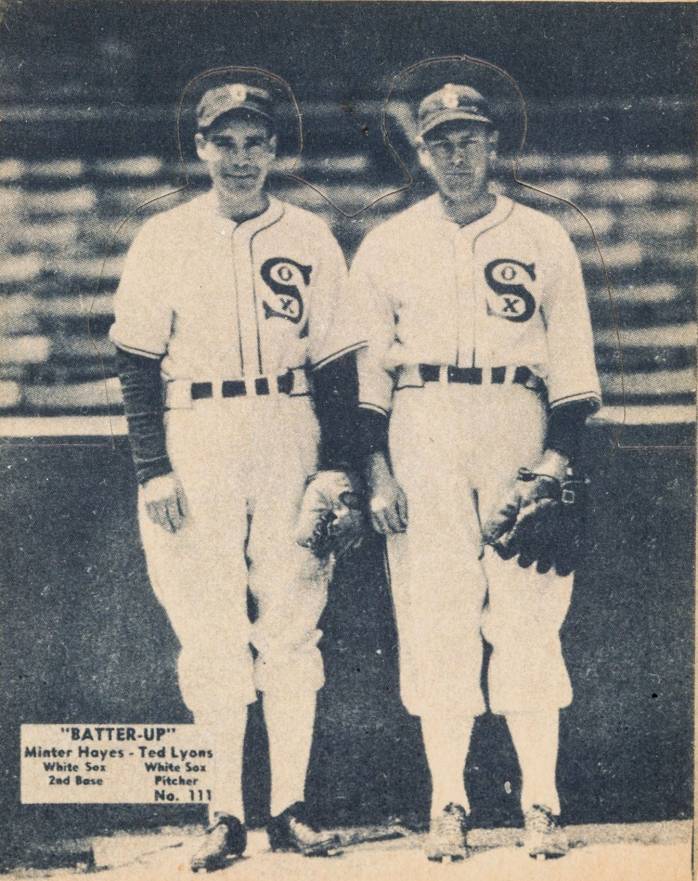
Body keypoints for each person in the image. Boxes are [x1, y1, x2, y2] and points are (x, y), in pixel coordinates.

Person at [110, 77, 362, 872]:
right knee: (208, 626)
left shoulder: (312, 234)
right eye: (227, 140)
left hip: (289, 423)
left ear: (275, 150)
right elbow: (136, 361)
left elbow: (337, 364)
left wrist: (337, 467)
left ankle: (288, 806)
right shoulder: (164, 236)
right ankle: (224, 811)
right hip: (197, 432)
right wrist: (153, 467)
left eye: (256, 141)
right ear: (202, 147)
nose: (242, 156)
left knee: (292, 618)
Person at [347, 83, 601, 861]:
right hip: (422, 420)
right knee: (436, 615)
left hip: (516, 420)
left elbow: (571, 359)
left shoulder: (543, 236)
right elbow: (365, 377)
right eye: (441, 141)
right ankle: (447, 801)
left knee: (527, 612)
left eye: (470, 138)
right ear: (420, 152)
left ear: (494, 145)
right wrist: (378, 471)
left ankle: (541, 804)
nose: (456, 154)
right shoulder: (389, 242)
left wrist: (555, 456)